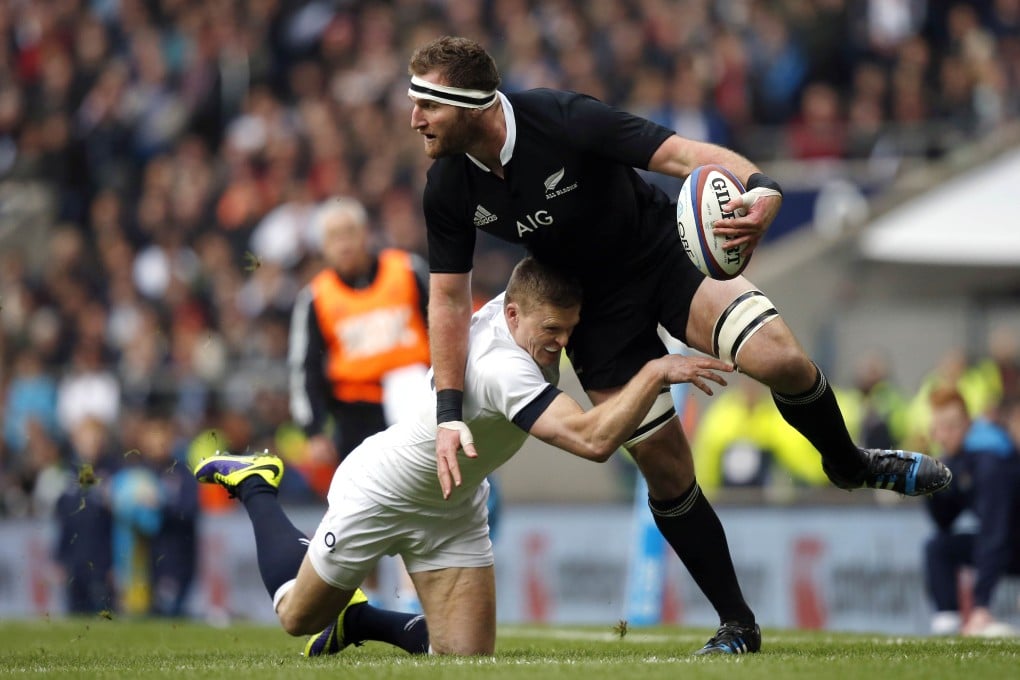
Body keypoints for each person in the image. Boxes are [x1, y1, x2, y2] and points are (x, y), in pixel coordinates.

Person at [407, 35, 953, 654]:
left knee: (781, 358)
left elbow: (684, 154)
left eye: (428, 102)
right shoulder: (446, 188)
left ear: (475, 103)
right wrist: (448, 414)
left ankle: (850, 465)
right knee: (665, 470)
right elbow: (448, 301)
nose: (415, 117)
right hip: (593, 314)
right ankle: (739, 626)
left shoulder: (562, 117)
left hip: (661, 256)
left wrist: (760, 186)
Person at [192, 256, 732, 656]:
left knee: (467, 664)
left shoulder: (518, 307)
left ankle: (359, 622)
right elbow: (591, 441)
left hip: (455, 501)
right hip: (385, 489)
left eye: (569, 330)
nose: (563, 344)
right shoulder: (504, 368)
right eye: (552, 331)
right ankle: (256, 483)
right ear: (514, 313)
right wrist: (657, 371)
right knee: (294, 616)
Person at [287, 196, 431, 482]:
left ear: (365, 233)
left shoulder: (407, 270)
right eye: (333, 236)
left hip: (419, 396)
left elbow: (444, 325)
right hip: (356, 412)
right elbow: (304, 368)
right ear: (323, 247)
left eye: (349, 232)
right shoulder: (316, 298)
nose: (344, 244)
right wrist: (313, 430)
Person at [924, 386, 1020, 637]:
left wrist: (980, 606)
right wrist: (927, 486)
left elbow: (995, 533)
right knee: (938, 547)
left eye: (951, 426)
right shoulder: (958, 461)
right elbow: (944, 521)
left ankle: (981, 615)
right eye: (938, 428)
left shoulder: (990, 461)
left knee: (988, 542)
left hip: (1010, 542)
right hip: (1009, 541)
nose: (943, 435)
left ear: (967, 424)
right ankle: (947, 623)